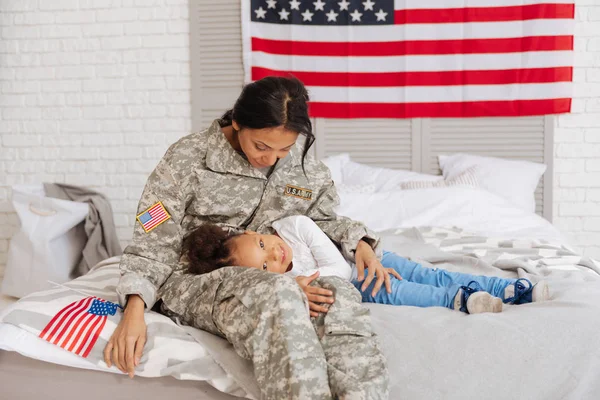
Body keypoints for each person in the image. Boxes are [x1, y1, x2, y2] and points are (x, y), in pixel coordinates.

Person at [104, 76, 389, 399]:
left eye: (283, 149)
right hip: (197, 279)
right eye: (261, 147)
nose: (270, 159)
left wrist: (360, 242)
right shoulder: (186, 159)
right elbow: (152, 239)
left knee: (337, 292)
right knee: (278, 293)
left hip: (281, 271)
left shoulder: (301, 162)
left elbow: (322, 219)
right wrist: (134, 308)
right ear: (237, 123)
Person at [186, 215, 550, 316]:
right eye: (265, 266)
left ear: (255, 231)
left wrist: (371, 262)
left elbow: (339, 269)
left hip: (364, 261)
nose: (274, 256)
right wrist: (287, 286)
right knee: (401, 292)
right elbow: (342, 284)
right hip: (359, 285)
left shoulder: (293, 225)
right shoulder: (284, 281)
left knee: (427, 272)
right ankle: (463, 300)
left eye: (263, 245)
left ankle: (506, 288)